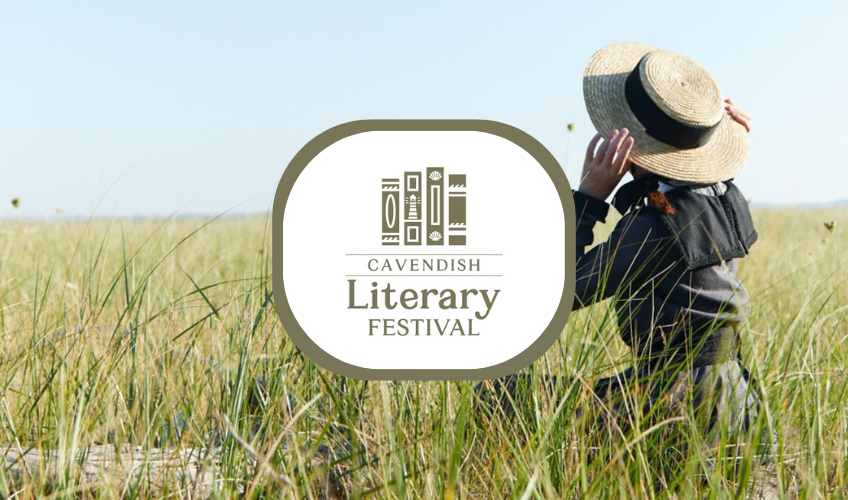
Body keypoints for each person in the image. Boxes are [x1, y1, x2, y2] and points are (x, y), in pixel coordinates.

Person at [475, 43, 769, 460]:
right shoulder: (724, 196)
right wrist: (712, 136)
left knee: (494, 393)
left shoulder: (655, 225)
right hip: (735, 395)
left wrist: (587, 198)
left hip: (676, 402)